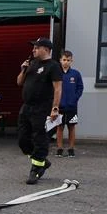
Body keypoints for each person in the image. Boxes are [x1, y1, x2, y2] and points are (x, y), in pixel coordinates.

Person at [17, 38, 63, 185]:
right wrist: (23, 69)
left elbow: (57, 88)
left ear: (47, 50)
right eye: (34, 48)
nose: (33, 50)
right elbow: (19, 82)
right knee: (23, 140)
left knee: (39, 138)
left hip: (42, 108)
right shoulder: (32, 63)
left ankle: (36, 169)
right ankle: (43, 161)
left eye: (37, 48)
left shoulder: (53, 66)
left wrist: (55, 108)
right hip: (27, 107)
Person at [55, 49, 83, 158]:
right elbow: (52, 88)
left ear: (71, 61)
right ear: (60, 60)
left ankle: (71, 149)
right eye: (64, 60)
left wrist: (74, 99)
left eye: (68, 60)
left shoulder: (76, 74)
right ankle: (59, 149)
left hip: (72, 107)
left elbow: (80, 88)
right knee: (59, 127)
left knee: (71, 127)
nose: (66, 62)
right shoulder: (56, 74)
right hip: (59, 106)